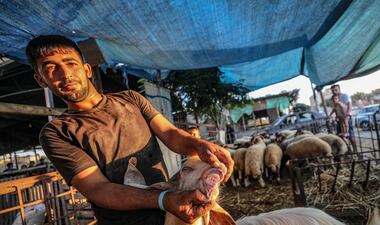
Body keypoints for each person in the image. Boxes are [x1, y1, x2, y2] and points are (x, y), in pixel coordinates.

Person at [26, 35, 233, 225]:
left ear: (87, 69)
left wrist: (198, 144)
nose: (66, 74)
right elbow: (97, 188)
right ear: (41, 79)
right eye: (51, 68)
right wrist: (163, 199)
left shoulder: (130, 99)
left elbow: (170, 134)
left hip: (170, 215)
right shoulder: (57, 132)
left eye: (71, 63)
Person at [330, 84, 357, 152]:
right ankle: (349, 149)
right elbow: (335, 109)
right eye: (333, 91)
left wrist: (347, 115)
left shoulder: (345, 95)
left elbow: (349, 106)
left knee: (350, 135)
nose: (334, 92)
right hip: (339, 118)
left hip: (346, 117)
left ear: (339, 89)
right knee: (340, 136)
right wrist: (335, 116)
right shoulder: (334, 98)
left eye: (336, 90)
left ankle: (355, 150)